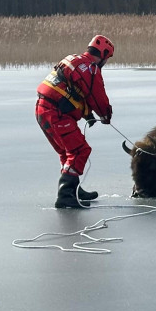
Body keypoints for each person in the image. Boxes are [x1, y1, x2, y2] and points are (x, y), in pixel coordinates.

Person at [36, 35, 115, 209]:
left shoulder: (72, 59)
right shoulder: (90, 68)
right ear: (103, 55)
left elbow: (72, 90)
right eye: (106, 59)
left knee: (67, 153)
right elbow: (98, 97)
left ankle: (74, 189)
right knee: (80, 151)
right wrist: (105, 115)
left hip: (43, 110)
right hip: (56, 113)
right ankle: (65, 195)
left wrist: (86, 113)